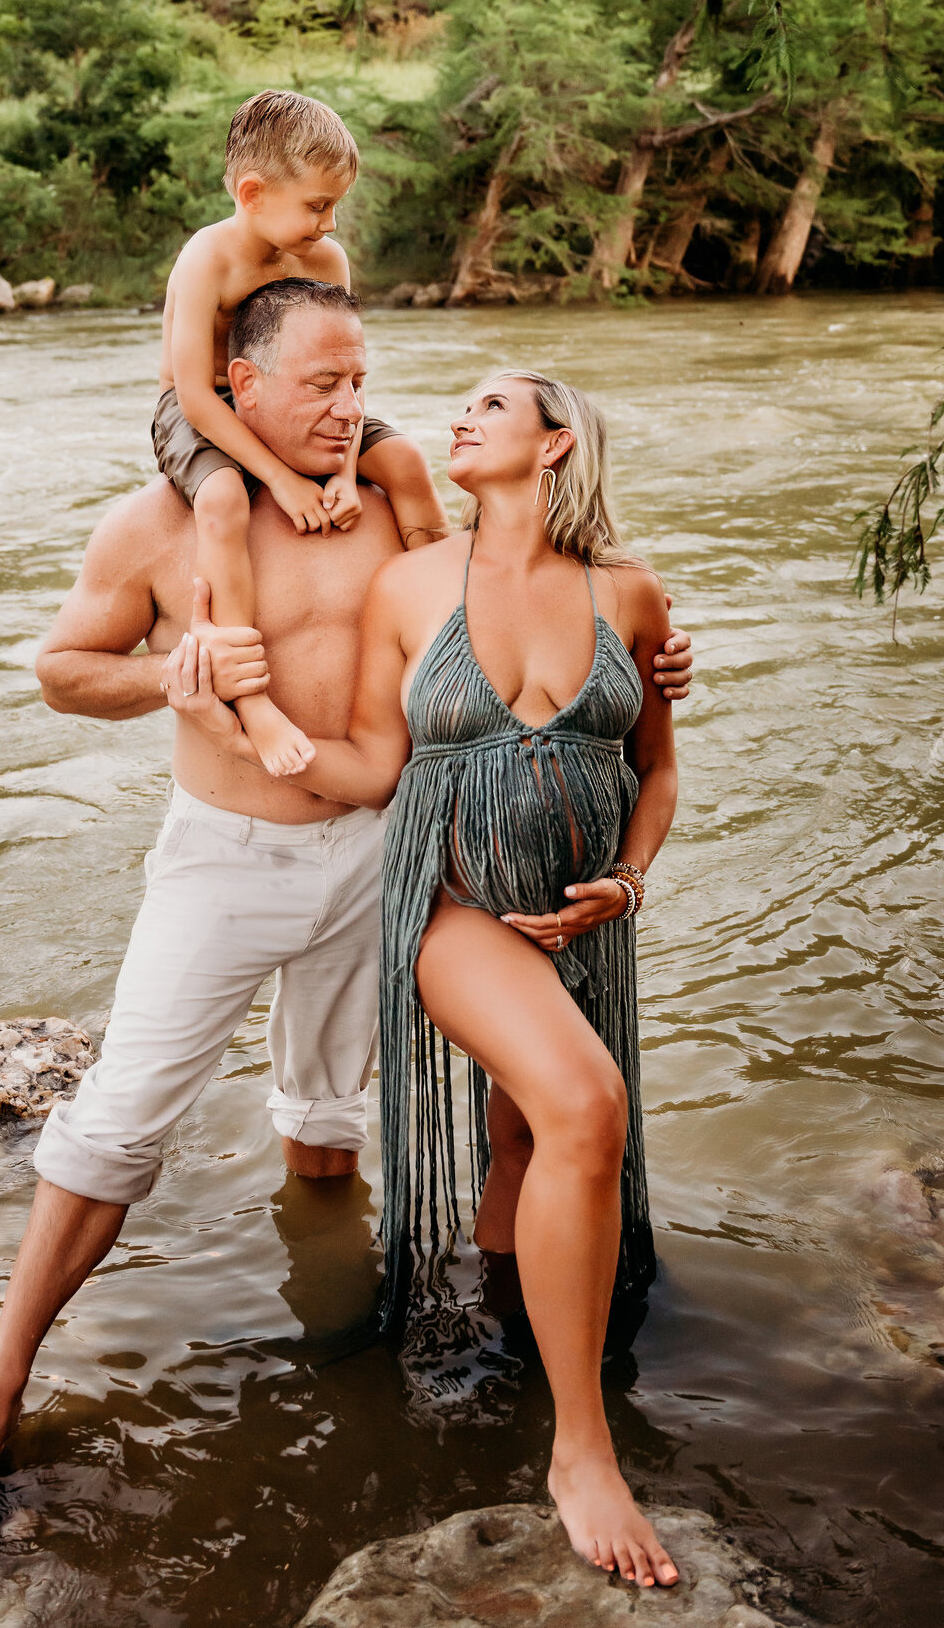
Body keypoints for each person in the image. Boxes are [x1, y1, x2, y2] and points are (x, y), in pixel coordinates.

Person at [0, 282, 694, 1534]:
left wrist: (649, 661)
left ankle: (348, 1311)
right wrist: (179, 669)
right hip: (227, 858)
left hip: (387, 855)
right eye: (319, 384)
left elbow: (529, 614)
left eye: (358, 379)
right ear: (242, 387)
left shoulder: (394, 510)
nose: (350, 406)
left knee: (330, 1120)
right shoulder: (163, 523)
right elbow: (61, 669)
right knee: (117, 1123)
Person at [165, 368, 680, 1590]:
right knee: (584, 1107)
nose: (459, 416)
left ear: (554, 444)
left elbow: (656, 769)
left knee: (525, 1136)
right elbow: (369, 760)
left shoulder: (632, 594)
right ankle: (582, 1449)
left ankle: (505, 1337)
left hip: (582, 915)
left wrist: (631, 880)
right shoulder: (410, 584)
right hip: (448, 905)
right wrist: (241, 718)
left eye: (491, 406)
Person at [154, 88, 446, 778]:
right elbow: (193, 392)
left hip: (304, 404)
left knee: (402, 458)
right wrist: (283, 479)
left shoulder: (326, 261)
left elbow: (345, 374)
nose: (330, 220)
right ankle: (251, 696)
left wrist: (345, 473)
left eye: (335, 204)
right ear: (253, 193)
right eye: (318, 205)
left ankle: (446, 632)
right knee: (224, 501)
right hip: (202, 407)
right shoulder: (208, 260)